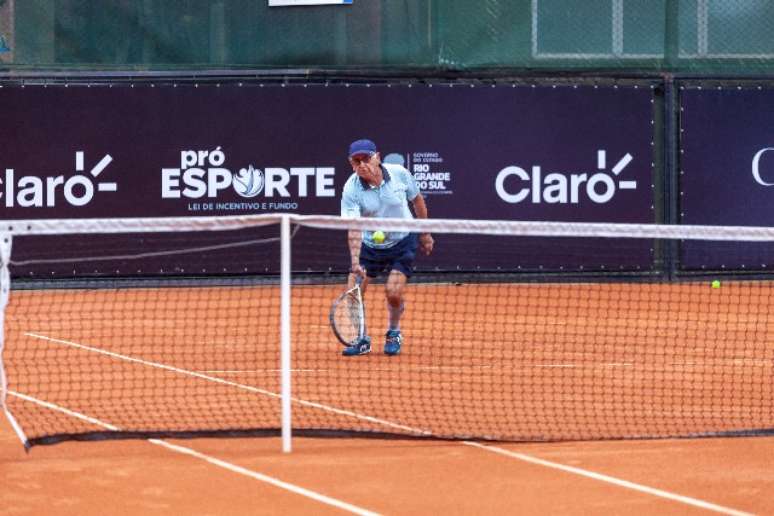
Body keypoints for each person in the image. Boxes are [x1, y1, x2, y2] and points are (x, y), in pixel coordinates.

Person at [340, 138, 434, 356]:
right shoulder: (351, 189)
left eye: (367, 158)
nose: (362, 164)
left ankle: (394, 332)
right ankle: (362, 339)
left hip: (403, 240)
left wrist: (425, 233)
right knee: (354, 290)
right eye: (357, 161)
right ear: (351, 163)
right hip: (370, 245)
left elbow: (417, 200)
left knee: (393, 292)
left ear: (378, 157)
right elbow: (354, 228)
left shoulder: (399, 174)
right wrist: (355, 261)